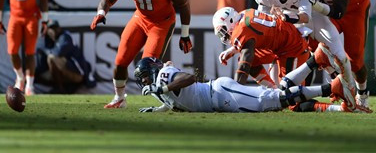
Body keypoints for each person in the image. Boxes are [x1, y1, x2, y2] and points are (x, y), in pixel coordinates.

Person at [90, 0, 192, 108]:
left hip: (162, 23)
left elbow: (183, 4)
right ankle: (119, 97)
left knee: (149, 66)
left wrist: (185, 33)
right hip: (140, 19)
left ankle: (168, 101)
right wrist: (101, 13)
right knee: (121, 60)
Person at [295, 0, 372, 110]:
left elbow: (338, 11)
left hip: (352, 10)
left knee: (355, 59)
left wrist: (313, 4)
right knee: (314, 46)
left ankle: (362, 93)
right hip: (324, 10)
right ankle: (338, 81)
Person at [134, 57, 356, 113]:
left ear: (153, 69)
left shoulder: (163, 75)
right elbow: (177, 101)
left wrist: (161, 89)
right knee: (278, 96)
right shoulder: (158, 88)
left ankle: (331, 88)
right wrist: (159, 106)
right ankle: (316, 62)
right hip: (218, 98)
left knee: (274, 101)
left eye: (145, 76)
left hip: (218, 94)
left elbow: (189, 79)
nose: (144, 81)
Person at [213, 6, 313, 89]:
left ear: (230, 20)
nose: (224, 35)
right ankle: (272, 91)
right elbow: (253, 38)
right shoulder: (244, 14)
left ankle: (327, 100)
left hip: (292, 47)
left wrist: (236, 89)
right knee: (253, 62)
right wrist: (231, 51)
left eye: (223, 29)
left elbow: (245, 61)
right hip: (279, 43)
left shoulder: (241, 29)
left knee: (292, 97)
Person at [36, 20, 95, 93]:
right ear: (47, 30)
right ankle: (64, 88)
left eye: (55, 28)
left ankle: (59, 88)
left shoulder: (65, 36)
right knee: (38, 76)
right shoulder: (49, 40)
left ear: (59, 28)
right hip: (64, 72)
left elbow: (58, 53)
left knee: (51, 58)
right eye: (51, 28)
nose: (54, 31)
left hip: (77, 74)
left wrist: (45, 50)